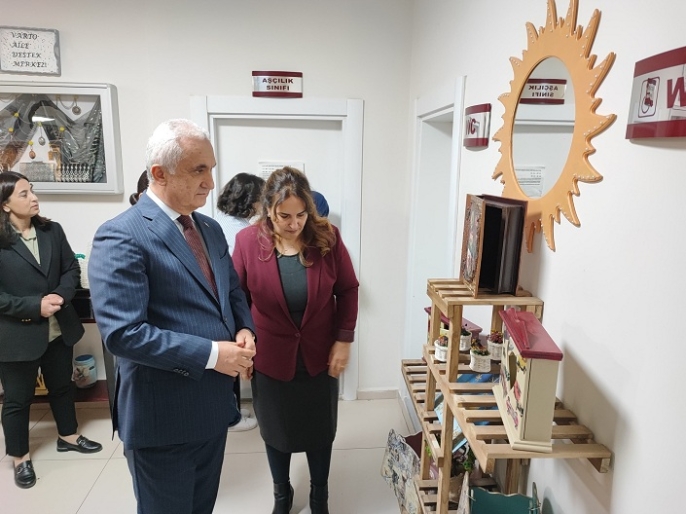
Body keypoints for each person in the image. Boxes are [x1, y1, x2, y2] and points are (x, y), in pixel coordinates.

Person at [88, 119, 257, 514]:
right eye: (199, 170)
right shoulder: (122, 235)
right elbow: (124, 334)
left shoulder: (209, 229)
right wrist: (214, 355)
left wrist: (245, 328)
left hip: (213, 409)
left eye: (211, 169)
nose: (211, 183)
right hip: (163, 417)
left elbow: (231, 290)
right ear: (159, 173)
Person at [232, 166, 359, 514]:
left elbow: (348, 289)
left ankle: (320, 494)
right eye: (284, 216)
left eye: (301, 214)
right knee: (276, 431)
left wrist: (344, 339)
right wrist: (242, 342)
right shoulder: (247, 242)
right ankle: (281, 494)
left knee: (320, 430)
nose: (294, 223)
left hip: (319, 354)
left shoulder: (327, 237)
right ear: (268, 210)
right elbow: (237, 298)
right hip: (270, 356)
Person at [0, 171, 102, 490]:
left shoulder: (51, 230)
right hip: (17, 336)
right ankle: (20, 457)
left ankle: (68, 436)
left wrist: (60, 294)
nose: (33, 197)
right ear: (5, 205)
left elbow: (70, 268)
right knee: (17, 400)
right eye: (23, 194)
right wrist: (35, 306)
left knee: (62, 387)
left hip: (58, 329)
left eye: (32, 190)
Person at [214, 172, 265, 432]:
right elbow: (241, 277)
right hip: (228, 303)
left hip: (219, 303)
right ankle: (230, 417)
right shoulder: (241, 232)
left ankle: (231, 409)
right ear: (251, 199)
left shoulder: (217, 222)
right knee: (231, 358)